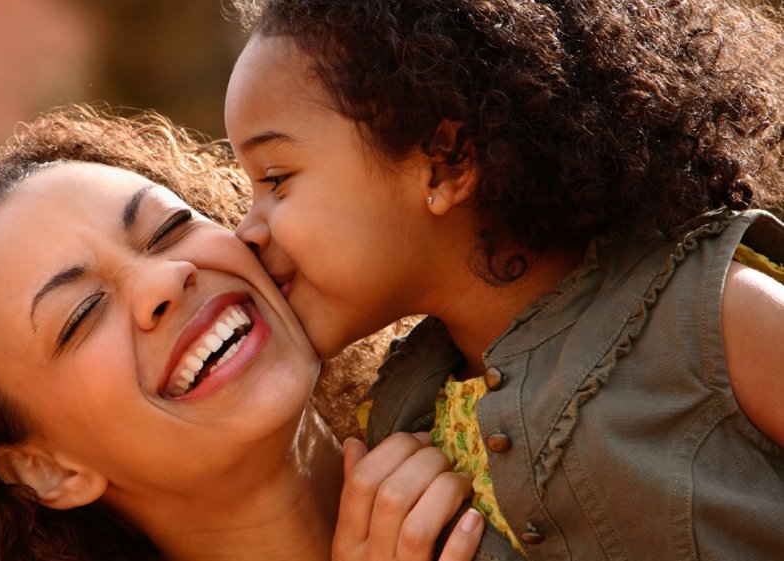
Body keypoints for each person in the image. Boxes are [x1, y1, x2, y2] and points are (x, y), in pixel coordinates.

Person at [225, 0, 784, 559]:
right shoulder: (392, 430)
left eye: (275, 179)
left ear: (447, 163)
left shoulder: (711, 314)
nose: (246, 231)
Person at [0, 105, 488, 561]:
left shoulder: (506, 387)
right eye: (81, 314)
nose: (165, 281)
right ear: (47, 469)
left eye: (167, 229)